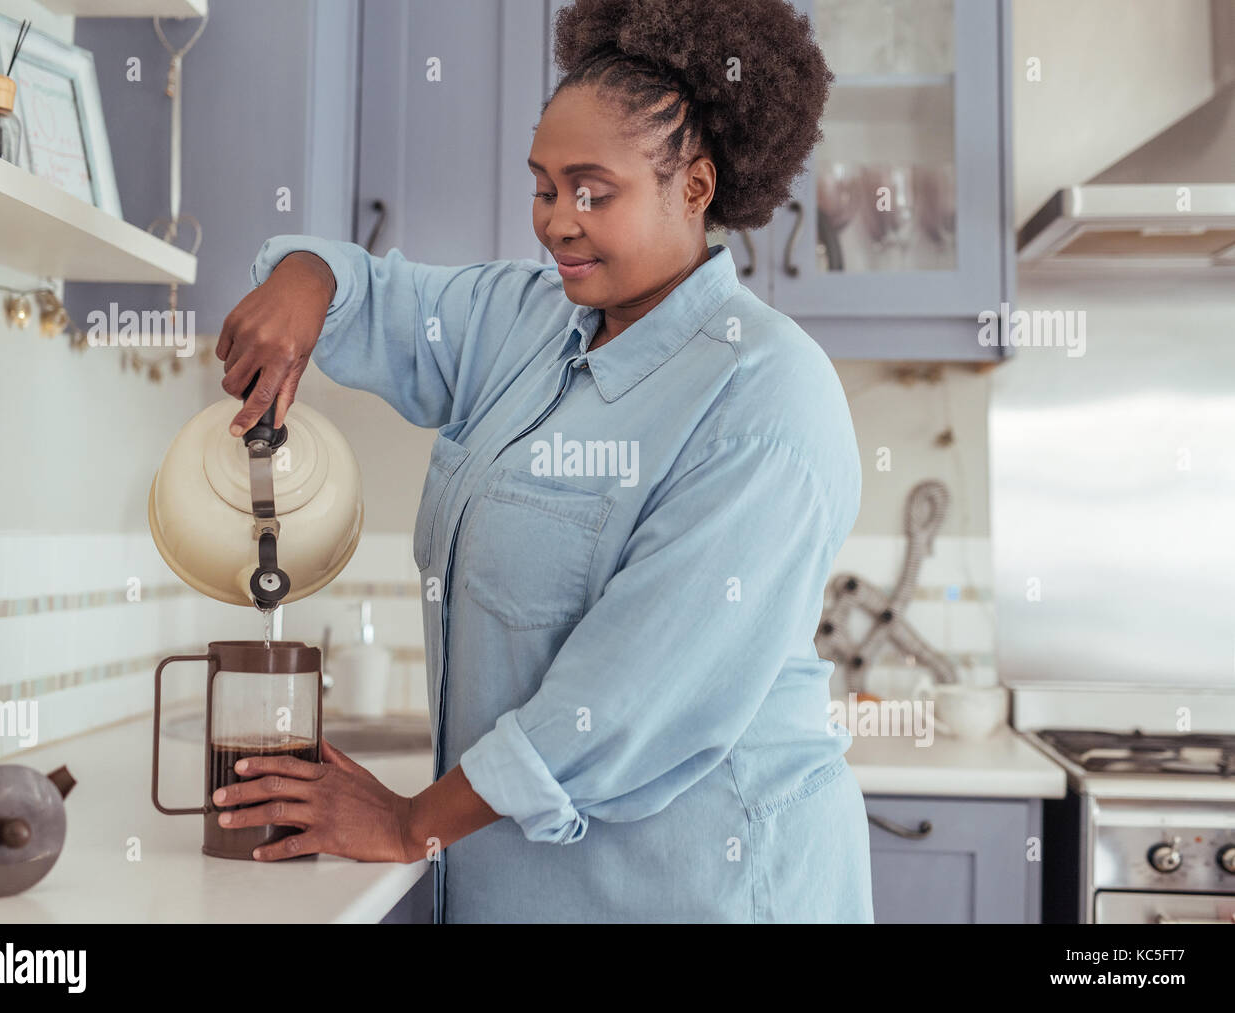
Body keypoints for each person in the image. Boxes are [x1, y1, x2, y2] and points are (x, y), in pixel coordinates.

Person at [210, 0, 872, 923]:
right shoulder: (523, 321)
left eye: (592, 189)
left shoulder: (766, 396)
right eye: (544, 186)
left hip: (693, 892)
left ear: (696, 188)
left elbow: (623, 701)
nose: (557, 221)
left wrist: (409, 826)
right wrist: (304, 281)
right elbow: (377, 293)